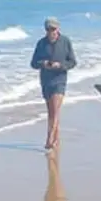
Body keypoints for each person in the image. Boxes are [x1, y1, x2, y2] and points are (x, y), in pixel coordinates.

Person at [31, 18, 77, 151]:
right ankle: (56, 141)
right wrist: (43, 63)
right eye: (48, 29)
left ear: (58, 29)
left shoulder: (65, 41)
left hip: (60, 80)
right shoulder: (41, 43)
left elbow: (73, 62)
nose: (51, 32)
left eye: (53, 29)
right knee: (51, 111)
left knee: (55, 111)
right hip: (46, 81)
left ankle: (49, 140)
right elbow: (33, 63)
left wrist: (60, 65)